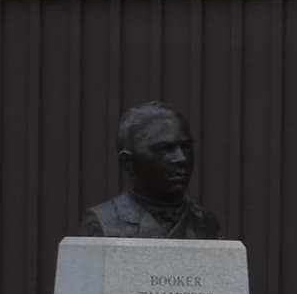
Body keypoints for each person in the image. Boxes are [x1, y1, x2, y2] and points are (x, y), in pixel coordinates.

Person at [84, 101, 225, 239]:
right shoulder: (104, 222)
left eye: (186, 147)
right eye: (165, 149)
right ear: (127, 162)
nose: (182, 158)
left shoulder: (206, 224)